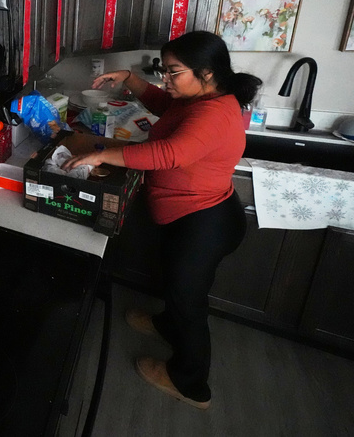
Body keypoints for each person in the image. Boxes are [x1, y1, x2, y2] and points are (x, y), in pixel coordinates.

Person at [61, 31, 262, 410]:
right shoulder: (198, 98)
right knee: (176, 287)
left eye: (173, 72)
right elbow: (161, 102)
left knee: (189, 302)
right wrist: (128, 79)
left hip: (204, 222)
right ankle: (166, 325)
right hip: (192, 215)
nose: (165, 80)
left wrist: (101, 154)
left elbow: (169, 154)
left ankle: (190, 383)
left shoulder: (214, 113)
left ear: (205, 72)